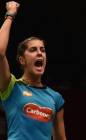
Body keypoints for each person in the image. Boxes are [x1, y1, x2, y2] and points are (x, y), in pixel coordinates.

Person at [0, 1, 67, 140]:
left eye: (42, 50)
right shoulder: (11, 86)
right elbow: (0, 52)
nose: (40, 53)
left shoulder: (55, 98)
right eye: (33, 50)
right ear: (22, 60)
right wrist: (10, 15)